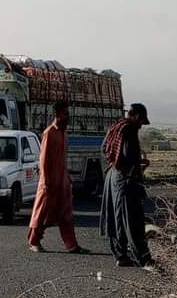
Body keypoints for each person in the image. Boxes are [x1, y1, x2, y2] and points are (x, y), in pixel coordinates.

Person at [99, 103, 154, 268]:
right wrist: (139, 163)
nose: (141, 126)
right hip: (125, 179)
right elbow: (127, 154)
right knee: (132, 219)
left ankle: (120, 255)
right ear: (136, 116)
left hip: (113, 175)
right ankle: (143, 259)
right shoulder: (129, 129)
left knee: (116, 218)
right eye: (141, 121)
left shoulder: (117, 126)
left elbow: (105, 149)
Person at [28, 101, 86, 254]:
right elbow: (44, 159)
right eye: (65, 114)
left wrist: (66, 177)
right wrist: (46, 181)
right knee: (42, 213)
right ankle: (34, 241)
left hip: (62, 181)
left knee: (66, 214)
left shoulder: (64, 133)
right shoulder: (49, 133)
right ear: (58, 114)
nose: (68, 117)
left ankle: (72, 245)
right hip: (50, 182)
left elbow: (63, 159)